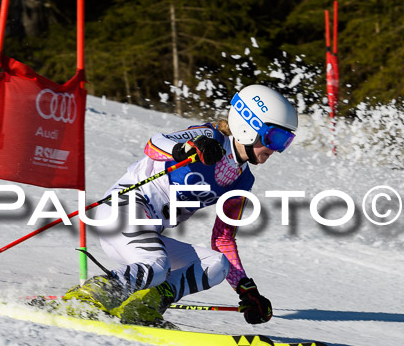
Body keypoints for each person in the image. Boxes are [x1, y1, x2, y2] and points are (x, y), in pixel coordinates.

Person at [64, 84, 298, 326]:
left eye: (285, 141)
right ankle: (87, 298)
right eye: (275, 138)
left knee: (217, 265)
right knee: (157, 265)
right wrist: (186, 149)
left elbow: (223, 239)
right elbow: (153, 145)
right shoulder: (210, 137)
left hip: (146, 234)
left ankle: (143, 305)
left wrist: (246, 290)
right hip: (122, 209)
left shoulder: (243, 180)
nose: (276, 149)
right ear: (249, 127)